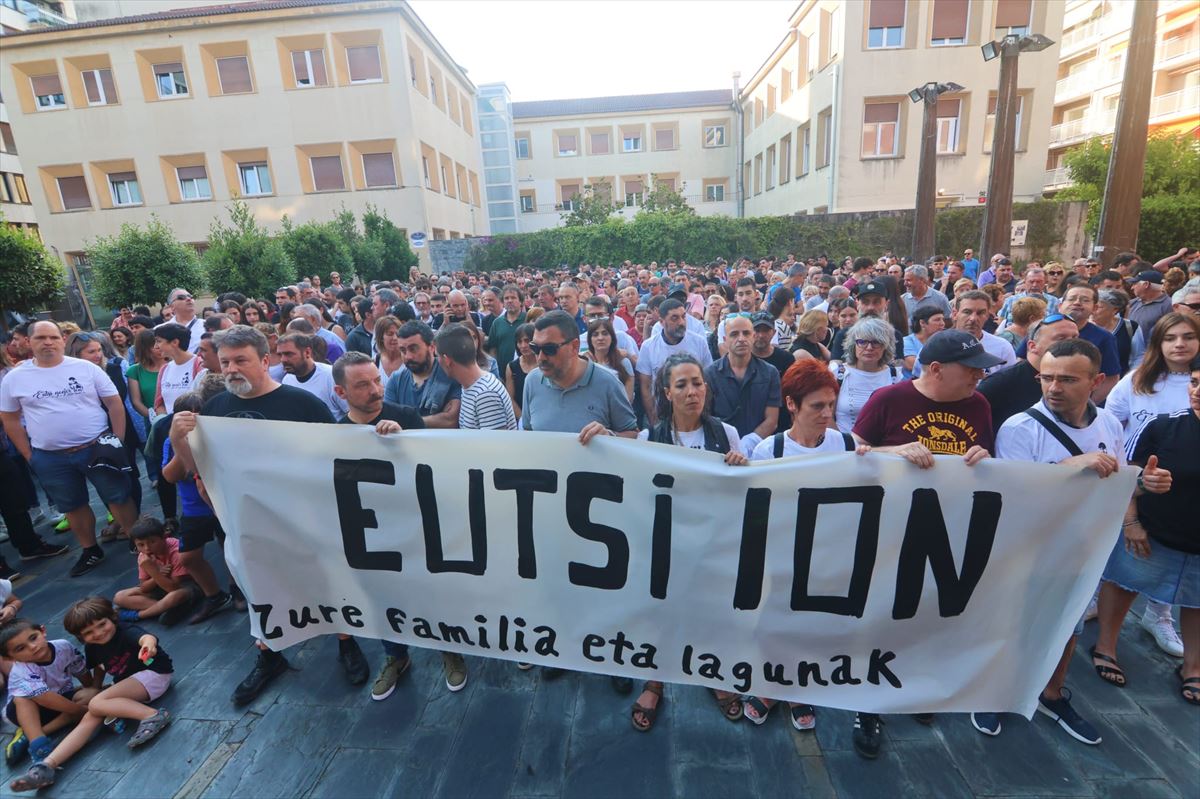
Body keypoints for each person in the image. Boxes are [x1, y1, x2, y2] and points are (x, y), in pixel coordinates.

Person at [979, 339, 1171, 743]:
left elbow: (1116, 484)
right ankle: (993, 692)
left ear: (1096, 381)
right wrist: (1070, 465)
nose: (1053, 387)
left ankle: (1052, 692)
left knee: (1069, 624)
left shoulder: (1109, 426)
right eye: (1047, 378)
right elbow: (1015, 496)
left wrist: (1144, 484)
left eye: (1067, 379)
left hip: (1084, 546)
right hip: (1026, 549)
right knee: (1012, 620)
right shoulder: (1020, 427)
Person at [167, 325, 369, 706]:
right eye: (225, 362)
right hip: (247, 523)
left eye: (241, 360)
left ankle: (346, 643)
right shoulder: (214, 410)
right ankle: (268, 654)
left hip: (304, 518)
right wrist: (179, 439)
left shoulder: (302, 404)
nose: (231, 369)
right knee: (258, 587)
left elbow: (336, 457)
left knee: (326, 580)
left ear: (265, 360)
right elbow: (198, 468)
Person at [849, 328, 1000, 759]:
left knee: (928, 610)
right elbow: (853, 455)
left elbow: (986, 455)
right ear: (936, 369)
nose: (978, 378)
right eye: (971, 370)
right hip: (887, 528)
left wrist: (985, 461)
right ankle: (869, 702)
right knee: (878, 614)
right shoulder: (889, 400)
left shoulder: (979, 405)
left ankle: (914, 688)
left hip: (947, 527)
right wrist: (892, 453)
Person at [741, 359, 872, 732]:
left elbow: (879, 468)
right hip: (782, 557)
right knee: (775, 621)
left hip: (829, 557)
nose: (827, 414)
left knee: (813, 623)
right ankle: (770, 685)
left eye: (831, 405)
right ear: (792, 405)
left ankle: (797, 687)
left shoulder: (847, 444)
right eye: (818, 406)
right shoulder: (771, 450)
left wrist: (901, 453)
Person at [630, 353, 747, 731]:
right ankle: (655, 679)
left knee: (712, 614)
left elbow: (745, 492)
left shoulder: (726, 435)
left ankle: (712, 675)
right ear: (667, 392)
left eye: (697, 383)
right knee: (662, 614)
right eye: (681, 385)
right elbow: (639, 491)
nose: (691, 391)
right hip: (669, 544)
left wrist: (741, 470)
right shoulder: (652, 438)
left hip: (714, 545)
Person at [1092, 355, 1198, 703]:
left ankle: (1193, 668)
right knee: (1123, 583)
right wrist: (1132, 520)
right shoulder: (1163, 426)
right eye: (1194, 382)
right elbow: (1128, 477)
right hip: (1152, 532)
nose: (1197, 391)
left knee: (1197, 602)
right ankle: (1106, 646)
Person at [0, 320, 138, 577]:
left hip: (96, 446)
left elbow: (114, 402)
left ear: (63, 340)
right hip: (49, 457)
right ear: (28, 342)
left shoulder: (86, 368)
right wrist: (29, 455)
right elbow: (9, 417)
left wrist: (116, 440)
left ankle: (137, 541)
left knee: (118, 496)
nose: (48, 342)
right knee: (72, 506)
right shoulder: (15, 378)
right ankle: (90, 550)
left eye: (53, 337)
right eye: (41, 337)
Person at [329, 351, 426, 700]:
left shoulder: (406, 416)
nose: (375, 390)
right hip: (370, 535)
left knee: (435, 592)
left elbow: (434, 469)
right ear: (341, 393)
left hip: (417, 527)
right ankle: (396, 657)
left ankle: (450, 650)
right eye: (362, 384)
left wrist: (402, 444)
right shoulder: (335, 435)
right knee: (382, 597)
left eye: (376, 380)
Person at [9, 597, 176, 791]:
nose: (98, 633)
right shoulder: (92, 647)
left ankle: (152, 716)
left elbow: (145, 637)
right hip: (132, 683)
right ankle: (46, 766)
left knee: (96, 704)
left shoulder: (124, 630)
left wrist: (148, 646)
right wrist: (95, 687)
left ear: (112, 618)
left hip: (155, 674)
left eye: (102, 624)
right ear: (80, 637)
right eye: (88, 632)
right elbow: (99, 667)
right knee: (90, 717)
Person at [0, 619, 98, 767]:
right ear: (10, 658)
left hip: (60, 698)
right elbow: (45, 699)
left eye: (33, 638)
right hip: (27, 710)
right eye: (21, 648)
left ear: (43, 631)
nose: (32, 647)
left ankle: (28, 735)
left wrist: (91, 688)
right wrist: (83, 711)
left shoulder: (63, 646)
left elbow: (79, 668)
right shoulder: (22, 670)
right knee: (23, 699)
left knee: (91, 695)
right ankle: (38, 745)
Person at [979, 314, 1081, 434]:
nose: (1072, 345)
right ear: (1032, 346)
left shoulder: (1077, 381)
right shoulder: (999, 385)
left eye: (1075, 338)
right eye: (1061, 338)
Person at [704, 313, 780, 448]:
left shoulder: (770, 373)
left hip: (759, 450)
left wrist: (750, 443)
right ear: (725, 339)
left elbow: (772, 420)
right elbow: (706, 417)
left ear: (753, 336)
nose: (741, 339)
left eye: (746, 333)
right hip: (721, 450)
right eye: (734, 334)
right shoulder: (710, 374)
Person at [113, 515, 202, 626]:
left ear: (164, 537)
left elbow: (173, 588)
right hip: (160, 587)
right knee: (119, 597)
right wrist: (156, 573)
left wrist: (154, 572)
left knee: (174, 597)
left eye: (152, 542)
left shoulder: (176, 551)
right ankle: (164, 608)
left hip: (184, 586)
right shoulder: (144, 556)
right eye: (141, 545)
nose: (147, 548)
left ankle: (138, 615)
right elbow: (144, 587)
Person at [636, 299, 713, 426]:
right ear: (661, 322)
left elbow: (708, 379)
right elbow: (646, 386)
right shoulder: (648, 346)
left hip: (695, 411)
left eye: (683, 317)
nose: (681, 322)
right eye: (674, 318)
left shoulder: (699, 342)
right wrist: (653, 419)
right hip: (661, 414)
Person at [436, 324, 516, 432]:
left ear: (447, 360)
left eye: (437, 356)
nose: (437, 361)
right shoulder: (470, 386)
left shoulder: (485, 394)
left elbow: (493, 446)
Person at [829, 317, 902, 434]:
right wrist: (847, 443)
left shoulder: (895, 376)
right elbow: (827, 416)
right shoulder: (838, 373)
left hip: (882, 448)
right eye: (862, 342)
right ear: (854, 345)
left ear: (885, 346)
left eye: (876, 342)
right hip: (844, 447)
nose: (869, 348)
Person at [383, 321, 461, 428]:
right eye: (403, 350)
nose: (408, 356)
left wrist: (406, 420)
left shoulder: (451, 375)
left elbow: (451, 420)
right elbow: (388, 419)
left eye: (413, 349)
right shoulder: (396, 380)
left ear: (432, 347)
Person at [278, 332, 349, 418]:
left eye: (289, 354)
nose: (283, 360)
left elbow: (351, 412)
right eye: (280, 355)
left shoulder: (331, 375)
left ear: (307, 352)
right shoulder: (287, 380)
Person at [585, 318, 634, 405]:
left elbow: (628, 398)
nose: (600, 338)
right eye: (595, 335)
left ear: (612, 338)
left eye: (605, 334)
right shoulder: (585, 364)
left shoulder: (624, 363)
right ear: (590, 340)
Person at [485, 285, 527, 379]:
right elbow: (493, 348)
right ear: (503, 302)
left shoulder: (528, 320)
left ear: (520, 301)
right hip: (503, 374)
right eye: (506, 298)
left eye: (513, 298)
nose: (509, 301)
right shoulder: (497, 323)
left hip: (525, 372)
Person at [901, 305, 946, 379]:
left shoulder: (942, 342)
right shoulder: (906, 342)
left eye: (942, 319)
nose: (942, 323)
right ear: (922, 323)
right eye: (937, 320)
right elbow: (912, 365)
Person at [505, 323, 537, 420]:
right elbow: (510, 398)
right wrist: (523, 419)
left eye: (527, 341)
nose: (523, 345)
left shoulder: (544, 365)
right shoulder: (512, 367)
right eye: (519, 342)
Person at [164, 288, 204, 353]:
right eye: (181, 297)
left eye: (190, 296)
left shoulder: (207, 326)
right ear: (172, 306)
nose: (189, 299)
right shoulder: (160, 330)